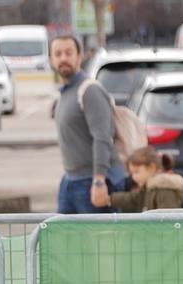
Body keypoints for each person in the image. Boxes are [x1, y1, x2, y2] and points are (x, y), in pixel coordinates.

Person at [49, 34, 126, 214]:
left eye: (69, 53)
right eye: (58, 54)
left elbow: (102, 137)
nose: (63, 58)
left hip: (93, 181)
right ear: (51, 60)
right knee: (63, 240)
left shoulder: (89, 90)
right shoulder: (64, 93)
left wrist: (99, 181)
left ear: (79, 56)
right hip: (71, 180)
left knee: (98, 242)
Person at [96, 147, 183, 212]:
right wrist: (109, 199)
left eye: (137, 172)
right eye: (132, 173)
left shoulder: (165, 189)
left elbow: (169, 219)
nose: (134, 177)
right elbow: (132, 199)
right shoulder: (147, 188)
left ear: (151, 168)